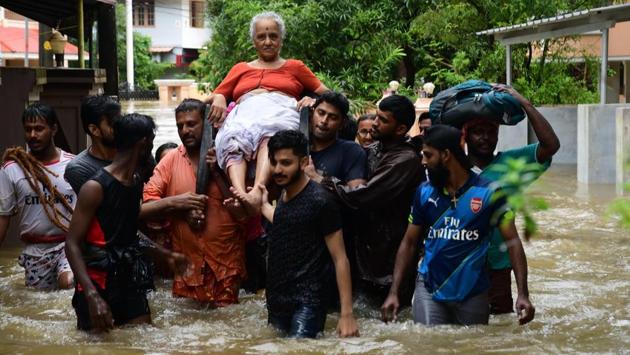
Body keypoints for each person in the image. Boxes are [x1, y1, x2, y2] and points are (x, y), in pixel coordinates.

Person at [381, 125, 535, 326]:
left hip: (473, 292)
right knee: (430, 342)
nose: (423, 161)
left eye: (428, 155)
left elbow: (513, 242)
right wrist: (394, 292)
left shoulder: (490, 192)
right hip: (430, 288)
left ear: (446, 155)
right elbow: (409, 243)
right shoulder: (424, 192)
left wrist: (523, 294)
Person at [65, 113, 186, 332]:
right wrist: (92, 296)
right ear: (143, 143)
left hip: (127, 278)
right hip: (97, 283)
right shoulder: (95, 187)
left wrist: (165, 254)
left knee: (144, 337)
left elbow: (129, 235)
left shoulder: (135, 181)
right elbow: (72, 244)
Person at [205, 11, 329, 215]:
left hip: (278, 113)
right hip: (244, 115)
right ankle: (239, 193)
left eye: (273, 36)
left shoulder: (295, 66)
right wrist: (218, 96)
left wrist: (313, 100)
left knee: (270, 135)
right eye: (261, 37)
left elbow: (328, 94)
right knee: (231, 139)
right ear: (253, 41)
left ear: (281, 39)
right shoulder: (240, 68)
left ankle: (257, 191)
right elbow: (215, 95)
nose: (268, 41)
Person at [243, 130, 358, 338]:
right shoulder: (285, 194)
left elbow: (340, 259)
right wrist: (263, 205)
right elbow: (286, 221)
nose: (278, 170)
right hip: (277, 300)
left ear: (304, 162)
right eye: (274, 162)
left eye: (286, 163)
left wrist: (346, 314)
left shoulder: (321, 201)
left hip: (308, 302)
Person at [460, 84, 559, 314]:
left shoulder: (513, 164)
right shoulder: (453, 167)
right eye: (478, 132)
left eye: (491, 131)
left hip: (497, 269)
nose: (485, 138)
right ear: (466, 134)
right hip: (459, 265)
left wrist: (523, 102)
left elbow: (551, 145)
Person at [141, 99, 246, 306]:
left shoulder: (228, 154)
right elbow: (148, 200)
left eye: (191, 124)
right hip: (187, 266)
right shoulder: (170, 160)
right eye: (180, 126)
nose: (185, 130)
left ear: (206, 124)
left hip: (225, 263)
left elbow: (244, 208)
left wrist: (217, 172)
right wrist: (181, 209)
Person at [321, 95, 424, 306]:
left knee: (389, 326)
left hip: (392, 260)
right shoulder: (374, 150)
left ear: (400, 129)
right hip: (364, 255)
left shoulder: (405, 160)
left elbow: (365, 195)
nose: (375, 123)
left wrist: (323, 180)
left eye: (383, 120)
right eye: (377, 117)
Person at [0, 103, 75, 290]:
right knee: (40, 303)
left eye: (39, 129)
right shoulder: (12, 169)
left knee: (69, 283)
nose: (33, 135)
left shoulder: (73, 166)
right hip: (35, 252)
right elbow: (3, 217)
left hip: (70, 245)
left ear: (54, 129)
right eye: (28, 130)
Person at [305, 91, 367, 188]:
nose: (324, 121)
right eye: (321, 113)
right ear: (312, 113)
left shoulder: (351, 151)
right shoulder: (297, 147)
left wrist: (317, 178)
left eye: (333, 117)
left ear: (342, 124)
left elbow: (357, 195)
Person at [64, 95, 121, 194]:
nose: (122, 127)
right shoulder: (79, 169)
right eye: (115, 124)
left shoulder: (137, 152)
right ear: (94, 130)